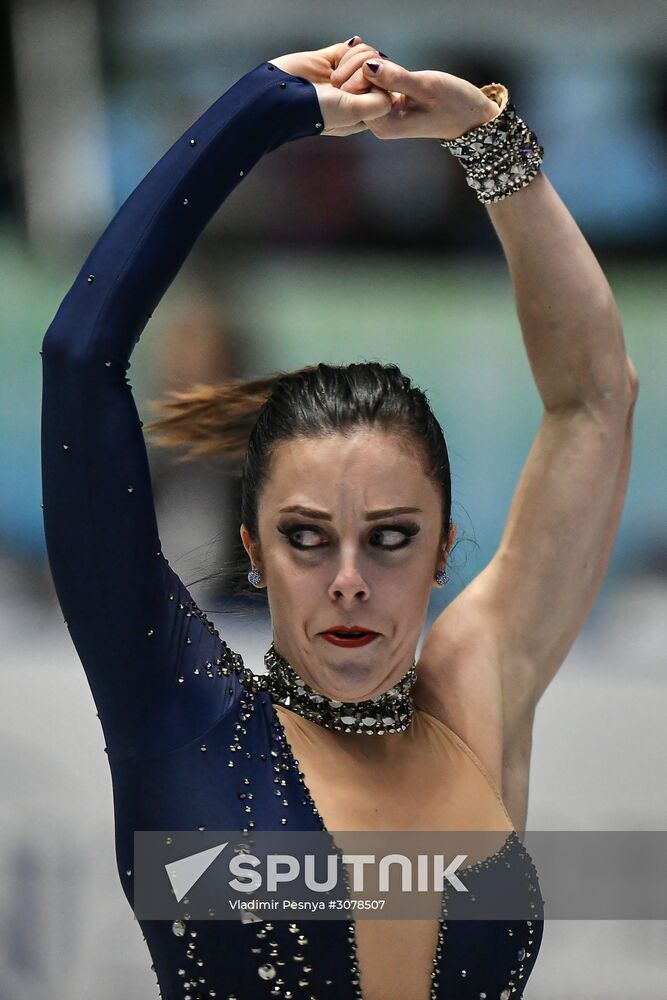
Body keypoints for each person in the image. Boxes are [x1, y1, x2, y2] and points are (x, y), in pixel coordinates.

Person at [40, 33, 638, 1000]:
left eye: (390, 538)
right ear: (253, 549)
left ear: (442, 551)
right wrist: (262, 111)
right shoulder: (176, 711)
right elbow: (80, 360)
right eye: (307, 538)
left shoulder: (473, 698)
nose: (350, 580)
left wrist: (487, 140)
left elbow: (595, 403)